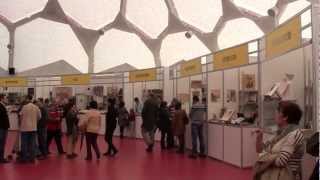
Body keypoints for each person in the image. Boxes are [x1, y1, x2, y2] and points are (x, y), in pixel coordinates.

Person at [253, 101, 304, 180]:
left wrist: (265, 157)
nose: (275, 115)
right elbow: (260, 150)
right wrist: (259, 137)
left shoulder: (294, 134)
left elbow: (281, 161)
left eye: (278, 112)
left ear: (285, 117)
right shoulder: (278, 133)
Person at [19, 95, 41, 163]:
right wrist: (35, 122)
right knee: (32, 144)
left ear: (27, 99)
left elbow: (20, 116)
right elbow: (39, 117)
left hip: (24, 128)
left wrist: (21, 123)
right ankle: (32, 159)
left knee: (24, 144)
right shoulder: (36, 107)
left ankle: (24, 159)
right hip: (33, 128)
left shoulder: (24, 107)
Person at [0, 94, 10, 163]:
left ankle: (1, 157)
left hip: (3, 127)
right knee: (1, 142)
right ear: (1, 98)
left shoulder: (2, 105)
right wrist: (6, 112)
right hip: (1, 127)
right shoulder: (0, 106)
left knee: (2, 142)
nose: (6, 99)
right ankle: (1, 158)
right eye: (5, 98)